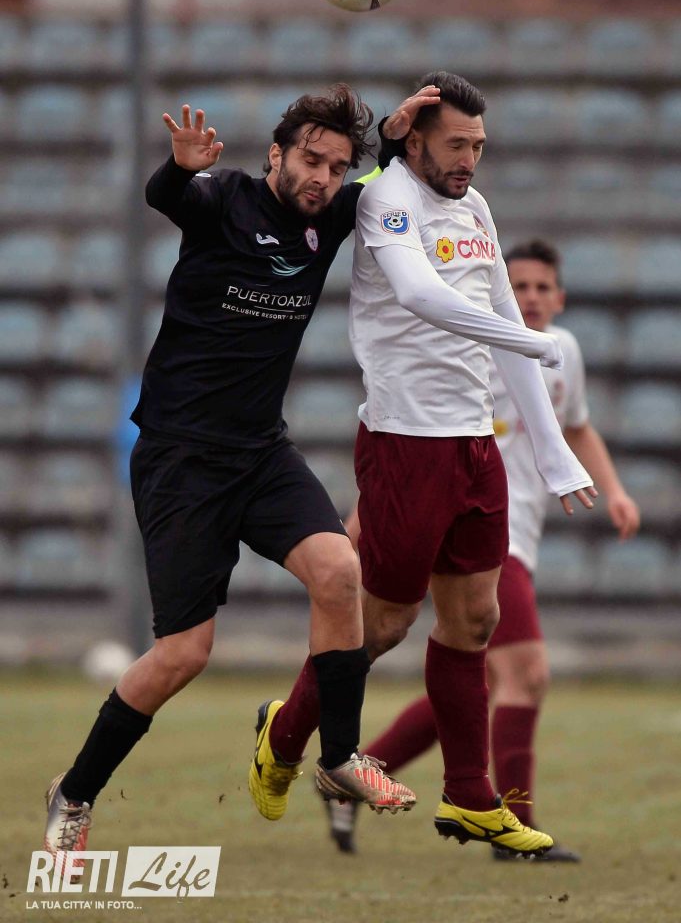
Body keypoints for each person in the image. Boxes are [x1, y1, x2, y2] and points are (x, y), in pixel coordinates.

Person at [42, 85, 425, 865]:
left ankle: (338, 758)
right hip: (181, 458)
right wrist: (179, 170)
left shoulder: (330, 216)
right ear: (277, 154)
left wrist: (389, 139)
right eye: (310, 159)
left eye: (335, 167)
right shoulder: (223, 199)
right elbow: (168, 196)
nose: (321, 177)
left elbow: (382, 181)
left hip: (259, 452)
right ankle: (74, 794)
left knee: (338, 570)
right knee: (183, 656)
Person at [249, 71, 598, 859]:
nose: (468, 158)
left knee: (475, 621)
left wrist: (554, 455)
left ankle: (471, 799)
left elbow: (501, 320)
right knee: (382, 627)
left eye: (478, 145)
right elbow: (417, 295)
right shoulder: (385, 198)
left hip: (474, 445)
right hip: (405, 444)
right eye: (455, 144)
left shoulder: (475, 209)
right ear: (414, 142)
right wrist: (531, 340)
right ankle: (285, 734)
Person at [325, 239, 640, 858]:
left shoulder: (562, 352)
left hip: (514, 537)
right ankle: (512, 825)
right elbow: (415, 437)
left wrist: (617, 490)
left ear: (560, 297)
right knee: (527, 674)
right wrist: (362, 523)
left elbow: (576, 425)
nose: (530, 298)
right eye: (518, 287)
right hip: (481, 535)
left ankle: (349, 777)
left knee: (480, 685)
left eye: (542, 288)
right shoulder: (475, 348)